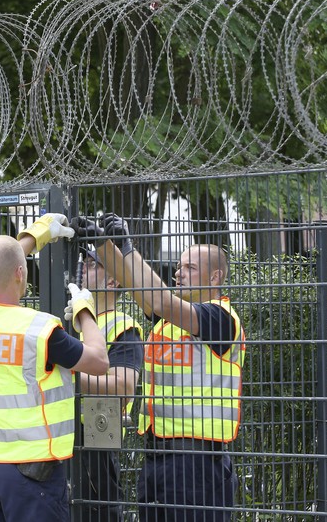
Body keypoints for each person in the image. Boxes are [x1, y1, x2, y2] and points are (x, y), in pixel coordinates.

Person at [72, 214, 245, 522]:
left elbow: (161, 301)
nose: (179, 273)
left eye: (190, 268)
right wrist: (104, 244)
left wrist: (126, 247)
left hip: (198, 460)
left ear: (215, 277)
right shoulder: (170, 322)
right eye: (179, 266)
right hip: (158, 456)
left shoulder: (221, 319)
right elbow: (138, 287)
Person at [0, 216, 111, 522]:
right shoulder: (39, 330)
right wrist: (85, 311)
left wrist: (33, 236)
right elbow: (99, 361)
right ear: (20, 274)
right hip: (31, 475)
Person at [71, 246, 143, 522]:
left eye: (93, 265)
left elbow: (124, 388)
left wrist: (69, 378)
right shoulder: (71, 320)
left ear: (113, 281)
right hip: (60, 432)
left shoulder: (123, 326)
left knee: (98, 511)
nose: (82, 269)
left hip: (98, 431)